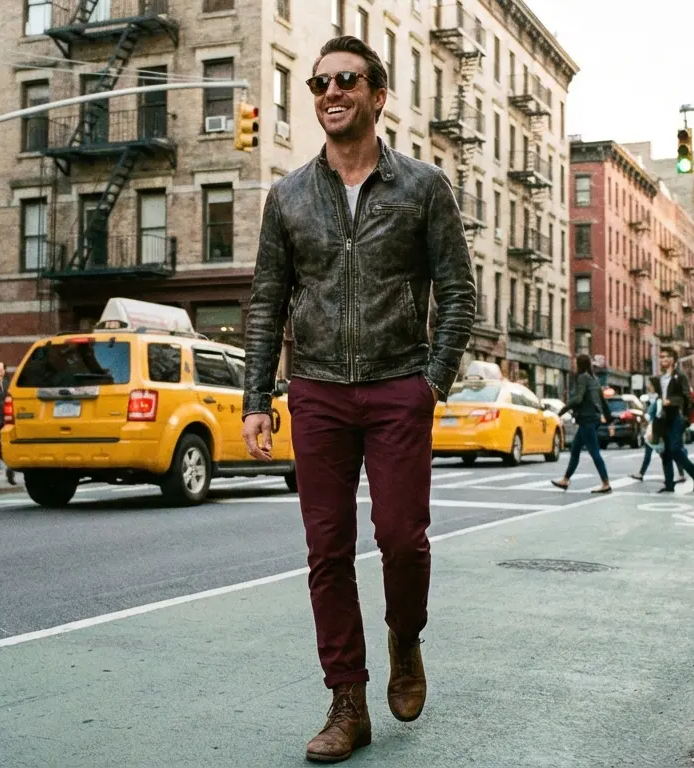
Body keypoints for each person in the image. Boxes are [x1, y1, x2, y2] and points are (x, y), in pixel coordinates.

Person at [239, 36, 476, 764]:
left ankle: (405, 636)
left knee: (402, 538)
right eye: (319, 83)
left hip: (398, 384)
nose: (330, 92)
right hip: (316, 391)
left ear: (378, 95)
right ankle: (348, 701)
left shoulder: (423, 187)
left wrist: (431, 381)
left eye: (346, 80)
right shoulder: (287, 196)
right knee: (327, 551)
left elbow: (458, 292)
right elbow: (266, 302)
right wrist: (257, 396)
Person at [551, 354, 612, 493]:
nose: (573, 365)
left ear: (580, 364)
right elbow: (602, 400)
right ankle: (565, 480)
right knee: (575, 450)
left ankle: (606, 483)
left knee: (594, 452)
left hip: (587, 419)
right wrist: (608, 417)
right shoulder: (594, 378)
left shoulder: (582, 377)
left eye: (575, 363)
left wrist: (561, 411)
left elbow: (578, 398)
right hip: (592, 418)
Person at [655, 347, 694, 494]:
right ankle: (669, 485)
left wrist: (676, 406)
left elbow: (686, 397)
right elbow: (661, 397)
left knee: (675, 449)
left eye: (666, 357)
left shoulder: (680, 376)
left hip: (677, 416)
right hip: (664, 417)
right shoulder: (660, 378)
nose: (663, 359)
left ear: (673, 360)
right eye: (661, 357)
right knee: (665, 452)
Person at [629, 378, 687, 484]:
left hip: (657, 429)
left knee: (664, 453)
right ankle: (679, 474)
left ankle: (676, 475)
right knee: (659, 452)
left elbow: (658, 414)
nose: (649, 387)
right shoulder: (657, 397)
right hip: (658, 428)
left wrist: (647, 417)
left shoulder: (660, 399)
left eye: (650, 385)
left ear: (655, 386)